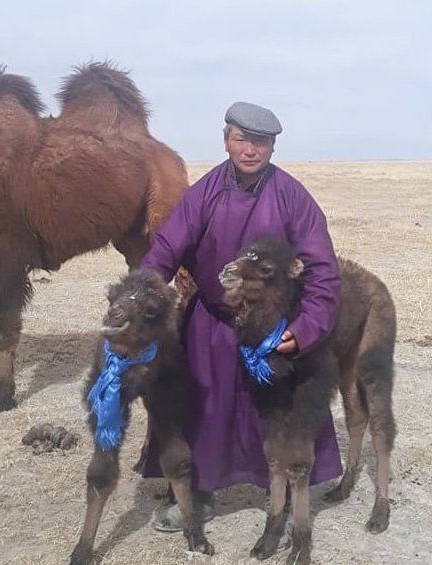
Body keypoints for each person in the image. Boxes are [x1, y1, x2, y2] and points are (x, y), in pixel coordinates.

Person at [140, 101, 343, 530]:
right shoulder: (205, 192)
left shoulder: (293, 197)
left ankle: (282, 493)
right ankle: (197, 496)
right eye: (241, 139)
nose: (250, 150)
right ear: (226, 141)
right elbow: (167, 247)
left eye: (260, 142)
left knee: (279, 411)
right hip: (212, 322)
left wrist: (306, 328)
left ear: (273, 146)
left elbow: (323, 270)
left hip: (274, 327)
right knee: (201, 409)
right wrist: (142, 297)